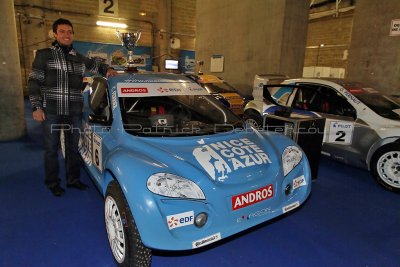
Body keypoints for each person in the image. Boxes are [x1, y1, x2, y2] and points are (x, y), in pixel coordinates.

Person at [28, 18, 117, 197]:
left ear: (73, 34)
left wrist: (108, 70)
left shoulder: (78, 57)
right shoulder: (44, 55)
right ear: (55, 34)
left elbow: (96, 65)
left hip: (74, 111)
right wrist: (36, 106)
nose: (66, 35)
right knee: (52, 149)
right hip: (51, 110)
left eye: (69, 32)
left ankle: (73, 179)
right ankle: (53, 182)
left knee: (73, 147)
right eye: (62, 31)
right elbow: (34, 81)